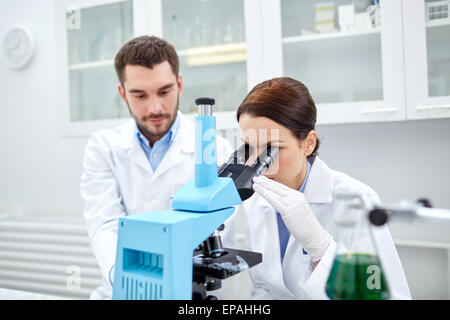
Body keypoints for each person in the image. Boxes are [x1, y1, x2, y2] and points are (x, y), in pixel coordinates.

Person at [80, 36, 233, 299]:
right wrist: (130, 279)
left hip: (187, 291)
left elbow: (214, 230)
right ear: (122, 94)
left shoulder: (215, 150)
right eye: (139, 95)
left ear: (180, 84)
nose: (155, 108)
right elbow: (104, 224)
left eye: (164, 91)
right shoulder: (103, 147)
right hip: (122, 289)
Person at [237, 77, 411, 299]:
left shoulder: (357, 201)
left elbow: (382, 295)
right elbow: (263, 286)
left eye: (273, 149)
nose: (259, 165)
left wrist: (320, 247)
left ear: (308, 143)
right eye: (249, 148)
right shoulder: (255, 201)